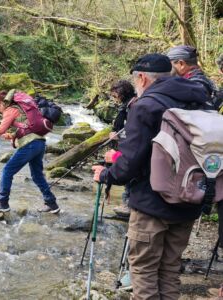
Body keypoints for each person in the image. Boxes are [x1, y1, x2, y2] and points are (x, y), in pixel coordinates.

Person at [92, 53, 212, 299]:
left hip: (152, 203)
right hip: (191, 198)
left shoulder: (146, 105)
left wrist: (106, 174)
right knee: (169, 269)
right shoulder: (202, 102)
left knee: (144, 271)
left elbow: (129, 164)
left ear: (143, 79)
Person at [0, 90, 60, 214]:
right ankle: (51, 204)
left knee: (7, 170)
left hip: (30, 145)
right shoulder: (21, 110)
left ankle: (2, 202)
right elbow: (26, 128)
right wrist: (11, 136)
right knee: (37, 175)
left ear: (3, 103)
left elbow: (0, 129)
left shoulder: (10, 110)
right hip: (39, 143)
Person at [108, 80, 136, 217]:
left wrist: (118, 137)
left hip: (128, 145)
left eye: (115, 95)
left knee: (130, 175)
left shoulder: (133, 105)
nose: (115, 98)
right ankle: (127, 203)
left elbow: (132, 129)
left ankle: (128, 205)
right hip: (125, 144)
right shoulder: (128, 104)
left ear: (121, 92)